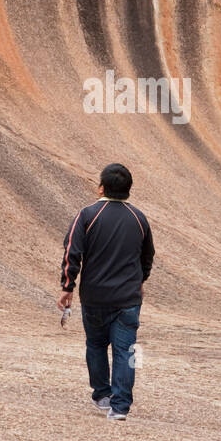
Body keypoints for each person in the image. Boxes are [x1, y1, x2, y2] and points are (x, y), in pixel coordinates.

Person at [58, 163, 154, 421]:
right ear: (129, 190)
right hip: (128, 299)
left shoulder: (87, 215)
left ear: (101, 187)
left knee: (96, 344)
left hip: (95, 297)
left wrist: (67, 287)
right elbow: (147, 257)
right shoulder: (139, 218)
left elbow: (72, 252)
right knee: (126, 351)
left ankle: (102, 394)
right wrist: (140, 280)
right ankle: (120, 407)